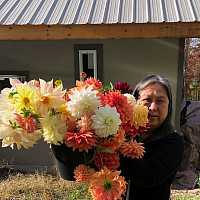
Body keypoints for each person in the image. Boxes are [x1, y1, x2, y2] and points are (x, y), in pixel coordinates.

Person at [120, 74, 184, 200]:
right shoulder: (123, 134)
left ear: (169, 106)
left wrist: (114, 146)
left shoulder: (173, 141)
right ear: (135, 102)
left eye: (160, 101)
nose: (153, 107)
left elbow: (147, 177)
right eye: (147, 100)